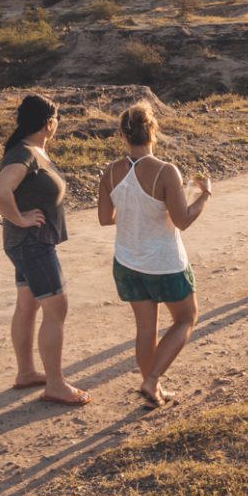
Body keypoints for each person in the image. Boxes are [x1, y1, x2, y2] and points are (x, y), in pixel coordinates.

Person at [98, 101, 211, 408]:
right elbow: (183, 220)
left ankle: (153, 389)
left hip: (127, 261)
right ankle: (151, 381)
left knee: (145, 329)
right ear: (153, 133)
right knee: (186, 319)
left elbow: (105, 218)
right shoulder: (165, 171)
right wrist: (204, 196)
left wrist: (132, 211)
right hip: (164, 263)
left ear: (123, 135)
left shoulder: (110, 172)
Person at [0, 94, 90, 406]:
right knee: (56, 308)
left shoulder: (32, 151)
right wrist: (19, 218)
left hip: (27, 243)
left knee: (27, 306)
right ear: (49, 123)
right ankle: (56, 385)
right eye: (56, 119)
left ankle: (27, 373)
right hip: (33, 244)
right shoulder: (25, 154)